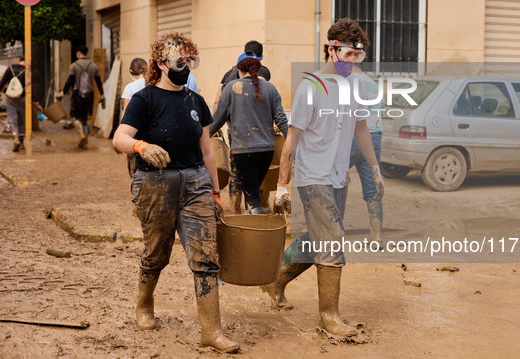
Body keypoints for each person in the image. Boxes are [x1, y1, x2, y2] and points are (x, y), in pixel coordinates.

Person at [113, 32, 239, 353]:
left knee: (206, 256)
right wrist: (141, 145)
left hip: (196, 182)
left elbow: (208, 152)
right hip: (155, 185)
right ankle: (144, 305)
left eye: (189, 60)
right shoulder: (145, 99)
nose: (185, 66)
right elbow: (119, 138)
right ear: (161, 63)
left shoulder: (195, 101)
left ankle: (211, 330)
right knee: (157, 252)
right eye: (178, 60)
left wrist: (215, 193)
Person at [263, 18, 385, 337]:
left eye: (358, 56)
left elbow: (361, 129)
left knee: (318, 237)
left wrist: (375, 169)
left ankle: (275, 280)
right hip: (312, 176)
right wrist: (281, 186)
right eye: (348, 54)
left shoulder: (355, 89)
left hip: (337, 176)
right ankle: (328, 316)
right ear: (331, 49)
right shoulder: (311, 88)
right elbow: (292, 141)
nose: (353, 62)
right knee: (331, 241)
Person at [209, 51, 288, 214]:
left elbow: (217, 121)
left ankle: (254, 226)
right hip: (267, 150)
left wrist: (200, 137)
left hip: (243, 151)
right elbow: (281, 120)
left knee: (251, 193)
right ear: (259, 70)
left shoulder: (231, 88)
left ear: (239, 70)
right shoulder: (271, 88)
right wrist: (292, 143)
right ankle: (255, 219)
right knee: (255, 188)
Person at [349, 65, 384, 248]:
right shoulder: (374, 84)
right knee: (372, 188)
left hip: (352, 135)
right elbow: (380, 109)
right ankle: (376, 236)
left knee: (335, 181)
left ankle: (331, 233)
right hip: (375, 137)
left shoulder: (346, 82)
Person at [57, 46, 105, 149]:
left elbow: (69, 81)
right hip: (89, 96)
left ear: (78, 54)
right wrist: (102, 94)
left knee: (75, 117)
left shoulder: (74, 66)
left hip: (77, 95)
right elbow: (98, 82)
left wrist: (63, 92)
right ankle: (86, 136)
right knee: (87, 118)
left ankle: (81, 135)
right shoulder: (94, 66)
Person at [120, 58, 148, 178]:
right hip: (150, 127)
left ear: (132, 71)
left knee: (134, 163)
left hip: (135, 129)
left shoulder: (130, 87)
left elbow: (126, 112)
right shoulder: (152, 84)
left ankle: (136, 185)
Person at [0, 57, 27, 152]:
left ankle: (15, 138)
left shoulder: (10, 68)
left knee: (12, 118)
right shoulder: (28, 71)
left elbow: (2, 82)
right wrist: (36, 102)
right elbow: (31, 89)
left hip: (10, 96)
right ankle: (22, 142)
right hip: (23, 97)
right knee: (22, 120)